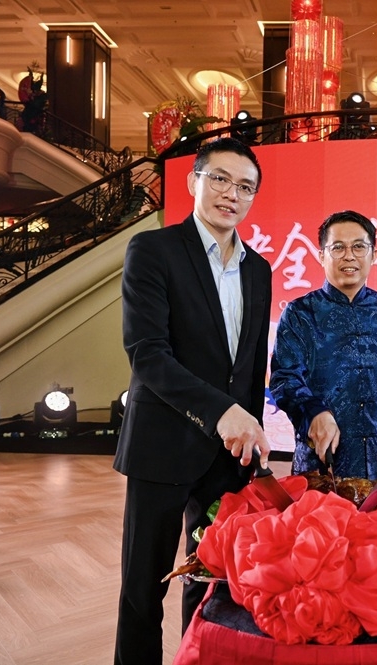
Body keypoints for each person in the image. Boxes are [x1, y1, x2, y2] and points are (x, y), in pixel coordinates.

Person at [113, 137, 273, 664]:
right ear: (194, 182)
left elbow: (248, 362)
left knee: (208, 584)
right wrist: (222, 412)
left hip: (226, 456)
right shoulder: (154, 250)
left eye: (245, 187)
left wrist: (249, 430)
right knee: (144, 588)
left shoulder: (259, 269)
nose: (232, 194)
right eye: (221, 179)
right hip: (163, 444)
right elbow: (147, 353)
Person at [269, 210, 377, 482]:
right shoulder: (300, 313)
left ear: (374, 254)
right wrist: (314, 412)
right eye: (338, 247)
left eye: (359, 247)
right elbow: (284, 379)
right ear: (321, 256)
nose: (349, 256)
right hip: (321, 461)